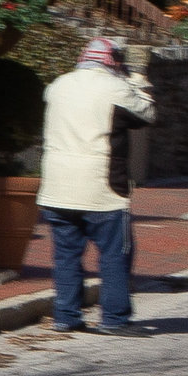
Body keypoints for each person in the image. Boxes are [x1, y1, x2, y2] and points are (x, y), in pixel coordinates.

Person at [37, 37, 153, 336]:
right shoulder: (115, 88)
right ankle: (113, 318)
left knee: (66, 254)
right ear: (113, 61)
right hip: (101, 188)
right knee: (115, 254)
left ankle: (66, 315)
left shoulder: (57, 85)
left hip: (57, 186)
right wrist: (138, 81)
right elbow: (145, 115)